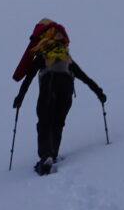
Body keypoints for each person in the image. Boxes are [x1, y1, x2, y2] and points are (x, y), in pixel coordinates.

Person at [12, 18, 105, 175]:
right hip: (66, 88)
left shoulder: (42, 57)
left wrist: (19, 98)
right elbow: (84, 77)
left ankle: (46, 157)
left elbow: (28, 79)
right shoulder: (65, 58)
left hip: (49, 86)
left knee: (44, 123)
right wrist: (99, 93)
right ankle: (52, 155)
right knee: (58, 123)